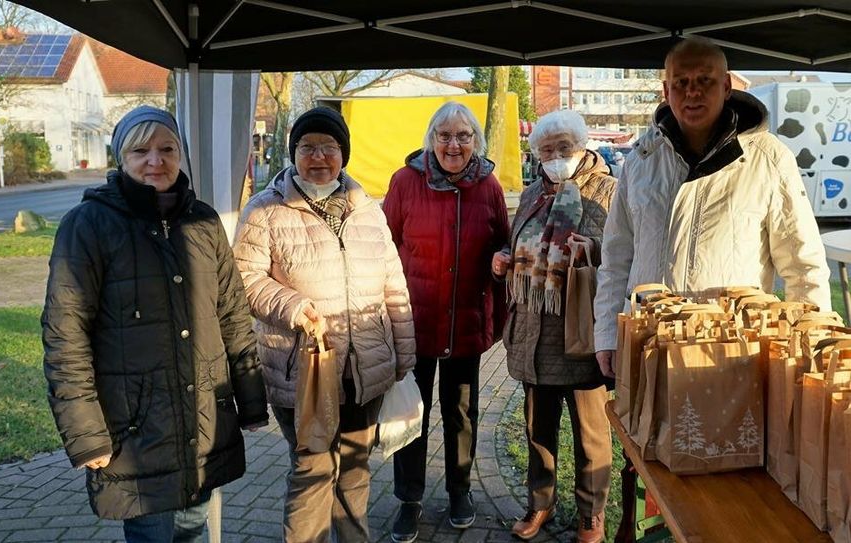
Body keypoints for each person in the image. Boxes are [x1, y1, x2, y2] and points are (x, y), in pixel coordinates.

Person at [593, 37, 832, 540]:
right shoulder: (641, 157)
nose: (692, 92)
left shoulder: (767, 158)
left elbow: (803, 261)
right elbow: (616, 256)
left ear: (727, 86)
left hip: (733, 361)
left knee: (726, 492)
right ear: (665, 88)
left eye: (704, 81)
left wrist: (808, 352)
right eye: (681, 82)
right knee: (652, 467)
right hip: (649, 353)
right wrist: (606, 335)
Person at [42, 105, 268, 542]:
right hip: (135, 428)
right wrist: (86, 431)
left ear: (180, 154)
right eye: (140, 150)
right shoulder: (87, 226)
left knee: (191, 526)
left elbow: (233, 315)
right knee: (152, 534)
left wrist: (251, 398)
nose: (155, 160)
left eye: (167, 149)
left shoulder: (203, 222)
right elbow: (65, 335)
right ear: (121, 157)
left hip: (202, 420)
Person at [232, 106, 416, 543]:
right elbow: (242, 279)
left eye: (329, 147)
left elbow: (394, 282)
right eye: (307, 147)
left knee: (354, 466)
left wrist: (403, 355)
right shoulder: (266, 210)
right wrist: (291, 304)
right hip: (303, 370)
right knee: (313, 470)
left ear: (343, 154)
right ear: (293, 153)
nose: (319, 157)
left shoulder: (367, 208)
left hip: (365, 367)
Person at [383, 101, 510, 542]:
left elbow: (503, 244)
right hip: (413, 323)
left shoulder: (489, 185)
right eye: (444, 135)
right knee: (409, 415)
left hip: (465, 322)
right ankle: (409, 499)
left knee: (461, 414)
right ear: (430, 139)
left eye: (463, 136)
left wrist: (501, 262)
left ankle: (460, 489)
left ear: (475, 141)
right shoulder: (404, 182)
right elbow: (385, 247)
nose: (453, 144)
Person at [492, 110, 616, 543]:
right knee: (537, 429)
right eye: (547, 150)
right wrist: (503, 260)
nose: (557, 156)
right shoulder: (530, 195)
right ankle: (539, 504)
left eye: (565, 147)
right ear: (536, 154)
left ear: (582, 146)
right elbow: (516, 245)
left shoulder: (608, 191)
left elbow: (626, 255)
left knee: (591, 433)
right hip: (533, 332)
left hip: (582, 331)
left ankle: (591, 514)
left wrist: (594, 250)